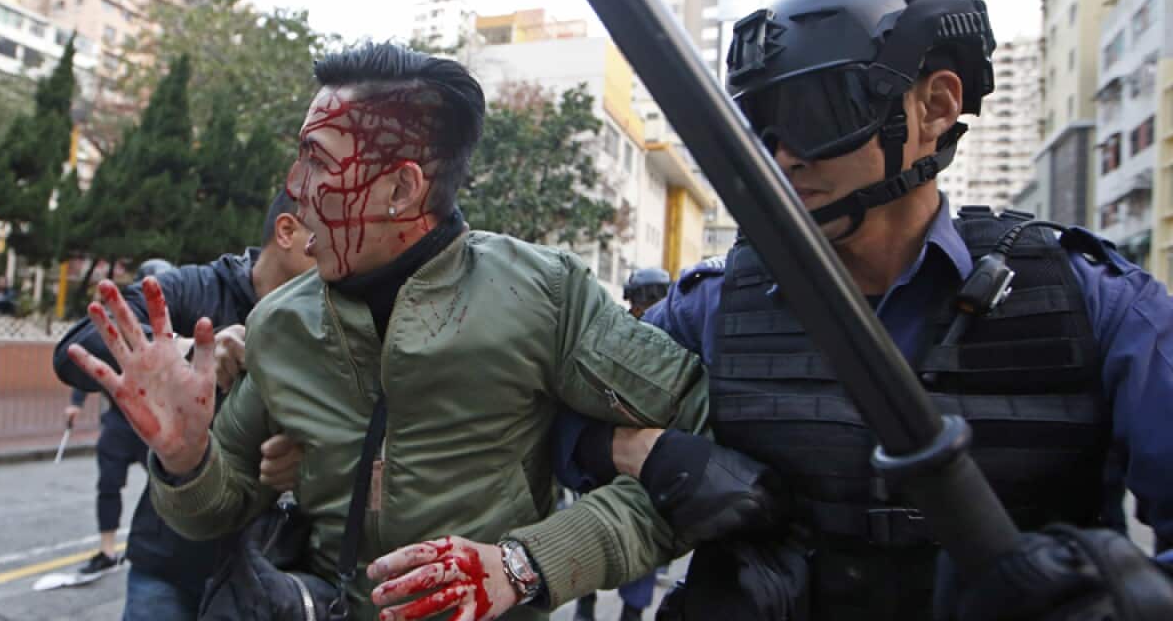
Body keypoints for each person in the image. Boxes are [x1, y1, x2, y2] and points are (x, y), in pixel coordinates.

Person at [562, 0, 1173, 620]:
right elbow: (557, 421)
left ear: (935, 106)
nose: (785, 156)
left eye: (817, 111)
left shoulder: (1097, 305)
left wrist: (1133, 598)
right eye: (761, 128)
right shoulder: (710, 307)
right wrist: (654, 455)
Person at [66, 43, 712, 621]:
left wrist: (526, 564)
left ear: (402, 188)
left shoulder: (545, 294)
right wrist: (184, 459)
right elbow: (217, 506)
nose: (295, 189)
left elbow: (701, 458)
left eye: (317, 163)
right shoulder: (280, 323)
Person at [53, 189, 315, 619]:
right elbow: (76, 347)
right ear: (287, 231)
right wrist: (185, 351)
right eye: (326, 233)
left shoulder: (337, 314)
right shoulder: (200, 287)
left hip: (273, 574)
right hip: (171, 561)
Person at [64, 258, 177, 580]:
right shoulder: (125, 323)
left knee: (167, 484)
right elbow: (93, 361)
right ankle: (106, 548)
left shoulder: (174, 324)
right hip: (119, 418)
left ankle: (169, 542)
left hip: (155, 424)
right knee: (109, 482)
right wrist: (76, 402)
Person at [573, 266, 674, 621]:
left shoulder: (615, 332)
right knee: (634, 533)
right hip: (630, 456)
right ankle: (614, 608)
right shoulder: (666, 335)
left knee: (597, 532)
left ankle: (597, 606)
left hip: (615, 455)